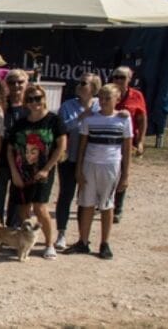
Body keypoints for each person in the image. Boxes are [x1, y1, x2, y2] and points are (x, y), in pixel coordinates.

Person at [64, 84, 132, 260]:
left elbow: (127, 149)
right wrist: (79, 169)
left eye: (108, 98)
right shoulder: (90, 119)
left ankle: (105, 243)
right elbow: (82, 146)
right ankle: (83, 241)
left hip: (111, 165)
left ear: (117, 99)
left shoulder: (123, 119)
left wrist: (125, 175)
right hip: (90, 164)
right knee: (86, 203)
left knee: (106, 205)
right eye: (101, 98)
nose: (103, 101)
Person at [6, 85, 67, 259]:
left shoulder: (54, 120)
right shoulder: (21, 123)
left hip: (43, 171)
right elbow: (10, 149)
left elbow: (61, 146)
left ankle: (49, 244)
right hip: (21, 171)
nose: (34, 102)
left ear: (44, 99)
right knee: (23, 208)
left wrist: (47, 169)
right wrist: (14, 173)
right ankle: (25, 243)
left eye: (37, 98)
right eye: (30, 99)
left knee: (40, 207)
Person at [55, 73, 101, 250]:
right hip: (69, 157)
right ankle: (61, 232)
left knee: (86, 197)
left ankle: (83, 236)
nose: (79, 85)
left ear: (94, 87)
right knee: (66, 195)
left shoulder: (100, 105)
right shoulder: (67, 106)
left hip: (90, 159)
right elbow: (61, 127)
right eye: (79, 82)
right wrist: (80, 118)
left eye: (84, 83)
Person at [110, 66, 146, 223]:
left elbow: (142, 119)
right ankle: (104, 202)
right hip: (108, 139)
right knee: (108, 172)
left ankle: (118, 208)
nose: (118, 80)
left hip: (127, 141)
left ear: (129, 79)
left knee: (122, 172)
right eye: (116, 76)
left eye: (122, 77)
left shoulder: (136, 96)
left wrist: (141, 141)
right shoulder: (107, 93)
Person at [0, 68, 30, 227]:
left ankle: (13, 229)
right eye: (11, 82)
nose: (16, 85)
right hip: (1, 157)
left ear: (26, 83)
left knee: (18, 197)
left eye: (20, 82)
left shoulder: (31, 105)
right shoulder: (0, 105)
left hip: (23, 159)